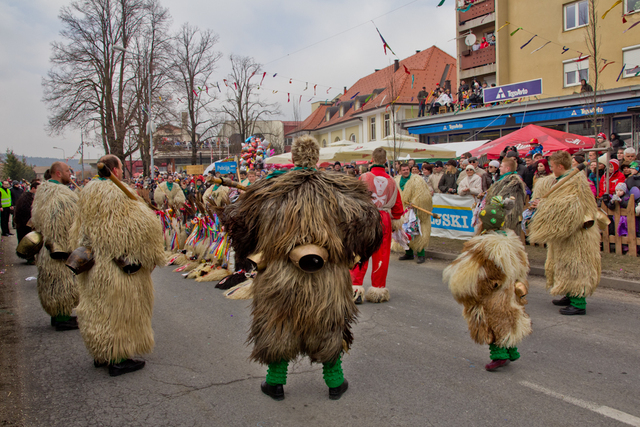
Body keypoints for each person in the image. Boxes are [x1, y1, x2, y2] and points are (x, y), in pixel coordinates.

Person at [222, 136, 383, 401]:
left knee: (279, 324)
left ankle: (275, 383)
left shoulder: (270, 188)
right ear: (317, 157)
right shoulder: (339, 188)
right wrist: (350, 252)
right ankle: (335, 382)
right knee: (328, 324)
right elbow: (370, 222)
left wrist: (248, 255)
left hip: (280, 274)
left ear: (293, 158)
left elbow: (238, 221)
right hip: (327, 276)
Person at [72, 154, 165, 376]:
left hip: (94, 264)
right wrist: (151, 253)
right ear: (114, 170)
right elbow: (138, 227)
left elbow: (78, 228)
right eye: (121, 168)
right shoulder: (117, 193)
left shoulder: (88, 192)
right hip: (115, 266)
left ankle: (101, 353)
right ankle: (119, 358)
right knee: (119, 311)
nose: (122, 173)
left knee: (98, 309)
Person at [444, 196, 531, 371]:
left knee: (494, 321)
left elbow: (487, 271)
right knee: (509, 318)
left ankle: (499, 355)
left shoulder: (485, 245)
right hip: (510, 289)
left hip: (495, 291)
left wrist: (477, 288)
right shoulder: (510, 238)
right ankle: (512, 350)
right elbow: (522, 264)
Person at [528, 150, 600, 315]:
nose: (551, 169)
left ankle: (579, 302)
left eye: (552, 166)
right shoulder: (560, 180)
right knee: (563, 265)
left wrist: (543, 206)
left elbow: (568, 207)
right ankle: (569, 294)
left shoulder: (575, 182)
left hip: (577, 234)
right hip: (564, 235)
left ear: (560, 166)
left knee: (576, 266)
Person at [351, 147, 403, 304]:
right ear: (385, 161)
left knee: (361, 252)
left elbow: (354, 200)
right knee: (382, 254)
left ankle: (356, 288)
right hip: (385, 218)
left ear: (371, 160)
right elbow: (398, 207)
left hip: (367, 217)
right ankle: (378, 289)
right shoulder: (392, 181)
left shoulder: (364, 177)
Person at [31, 162, 79, 330]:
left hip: (47, 245)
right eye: (67, 171)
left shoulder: (43, 190)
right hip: (58, 247)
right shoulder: (60, 194)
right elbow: (62, 220)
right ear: (58, 173)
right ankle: (61, 318)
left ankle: (58, 315)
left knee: (54, 284)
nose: (70, 174)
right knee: (62, 283)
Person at [395, 163, 432, 264]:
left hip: (415, 211)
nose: (406, 171)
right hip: (403, 211)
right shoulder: (397, 181)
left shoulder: (417, 180)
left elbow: (423, 195)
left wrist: (415, 203)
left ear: (409, 169)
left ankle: (421, 254)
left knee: (418, 232)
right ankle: (409, 253)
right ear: (400, 171)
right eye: (403, 170)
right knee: (405, 232)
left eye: (407, 169)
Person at [484, 157, 526, 232]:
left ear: (507, 169)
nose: (499, 168)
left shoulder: (513, 182)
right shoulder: (502, 180)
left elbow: (508, 201)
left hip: (507, 216)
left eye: (501, 166)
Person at [14, 180, 39, 256]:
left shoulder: (34, 197)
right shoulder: (26, 197)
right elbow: (24, 210)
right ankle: (29, 257)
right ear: (33, 188)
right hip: (25, 223)